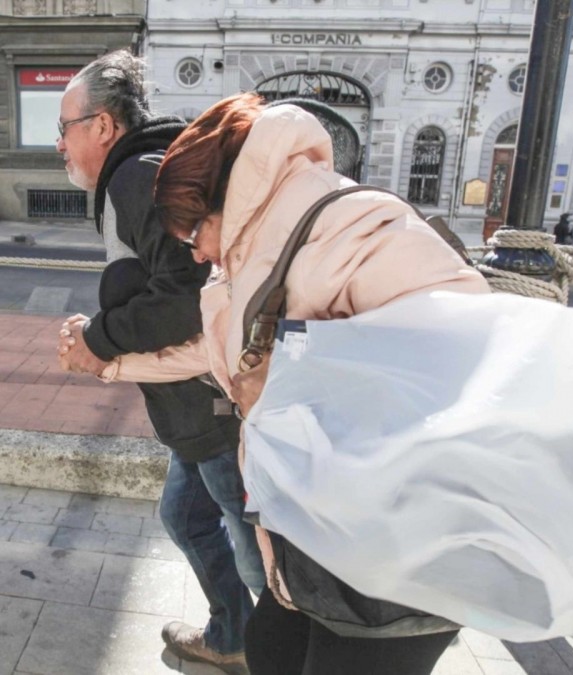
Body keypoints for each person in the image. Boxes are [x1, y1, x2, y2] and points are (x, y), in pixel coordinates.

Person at [98, 92, 490, 674]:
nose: (196, 254)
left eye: (192, 234)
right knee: (268, 647)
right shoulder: (254, 254)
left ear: (226, 202)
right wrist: (109, 363)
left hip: (398, 557)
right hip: (320, 536)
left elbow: (465, 351)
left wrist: (299, 392)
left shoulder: (354, 226)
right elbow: (220, 350)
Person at [53, 50, 264, 673]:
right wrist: (102, 334)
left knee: (260, 555)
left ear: (102, 126)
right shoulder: (141, 171)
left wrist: (98, 339)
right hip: (193, 408)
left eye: (64, 127)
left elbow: (183, 298)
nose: (59, 144)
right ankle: (235, 634)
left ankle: (283, 648)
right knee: (186, 516)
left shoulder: (135, 176)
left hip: (215, 404)